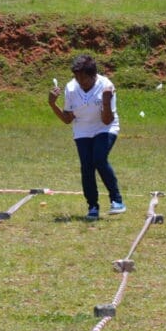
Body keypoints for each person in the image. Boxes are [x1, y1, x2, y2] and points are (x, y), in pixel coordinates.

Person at [48, 55, 126, 220]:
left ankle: (117, 200)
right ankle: (92, 206)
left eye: (83, 77)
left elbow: (107, 119)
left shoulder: (106, 86)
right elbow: (68, 119)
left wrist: (106, 102)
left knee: (99, 159)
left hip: (104, 127)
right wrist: (53, 104)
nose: (79, 80)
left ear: (93, 75)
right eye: (76, 76)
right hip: (82, 130)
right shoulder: (71, 88)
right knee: (86, 166)